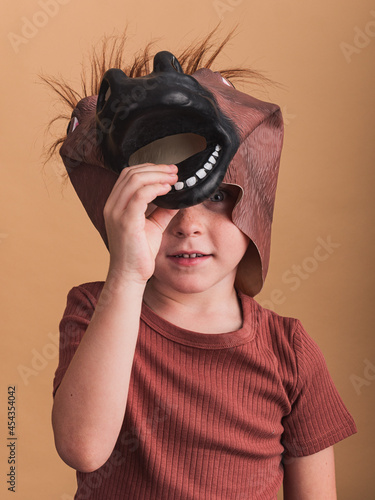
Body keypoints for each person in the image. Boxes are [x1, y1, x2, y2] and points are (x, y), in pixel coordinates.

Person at [49, 31, 357, 499]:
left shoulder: (288, 352)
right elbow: (83, 448)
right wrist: (127, 275)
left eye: (215, 197)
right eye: (159, 202)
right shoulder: (96, 309)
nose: (187, 224)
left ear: (251, 202)